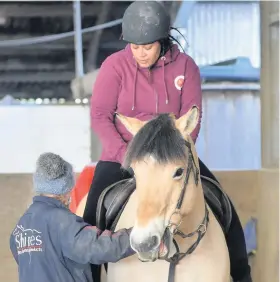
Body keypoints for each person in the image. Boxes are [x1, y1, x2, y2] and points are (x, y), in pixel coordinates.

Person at [83, 2, 252, 282]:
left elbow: (192, 122)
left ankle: (243, 276)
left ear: (161, 40)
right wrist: (130, 156)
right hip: (121, 157)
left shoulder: (186, 67)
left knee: (227, 211)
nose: (140, 53)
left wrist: (175, 158)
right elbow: (100, 115)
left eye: (147, 47)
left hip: (172, 159)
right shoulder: (114, 66)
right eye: (135, 47)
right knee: (90, 221)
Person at [9, 152, 134, 282]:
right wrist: (138, 236)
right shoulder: (61, 221)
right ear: (66, 188)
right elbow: (98, 247)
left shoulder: (20, 227)